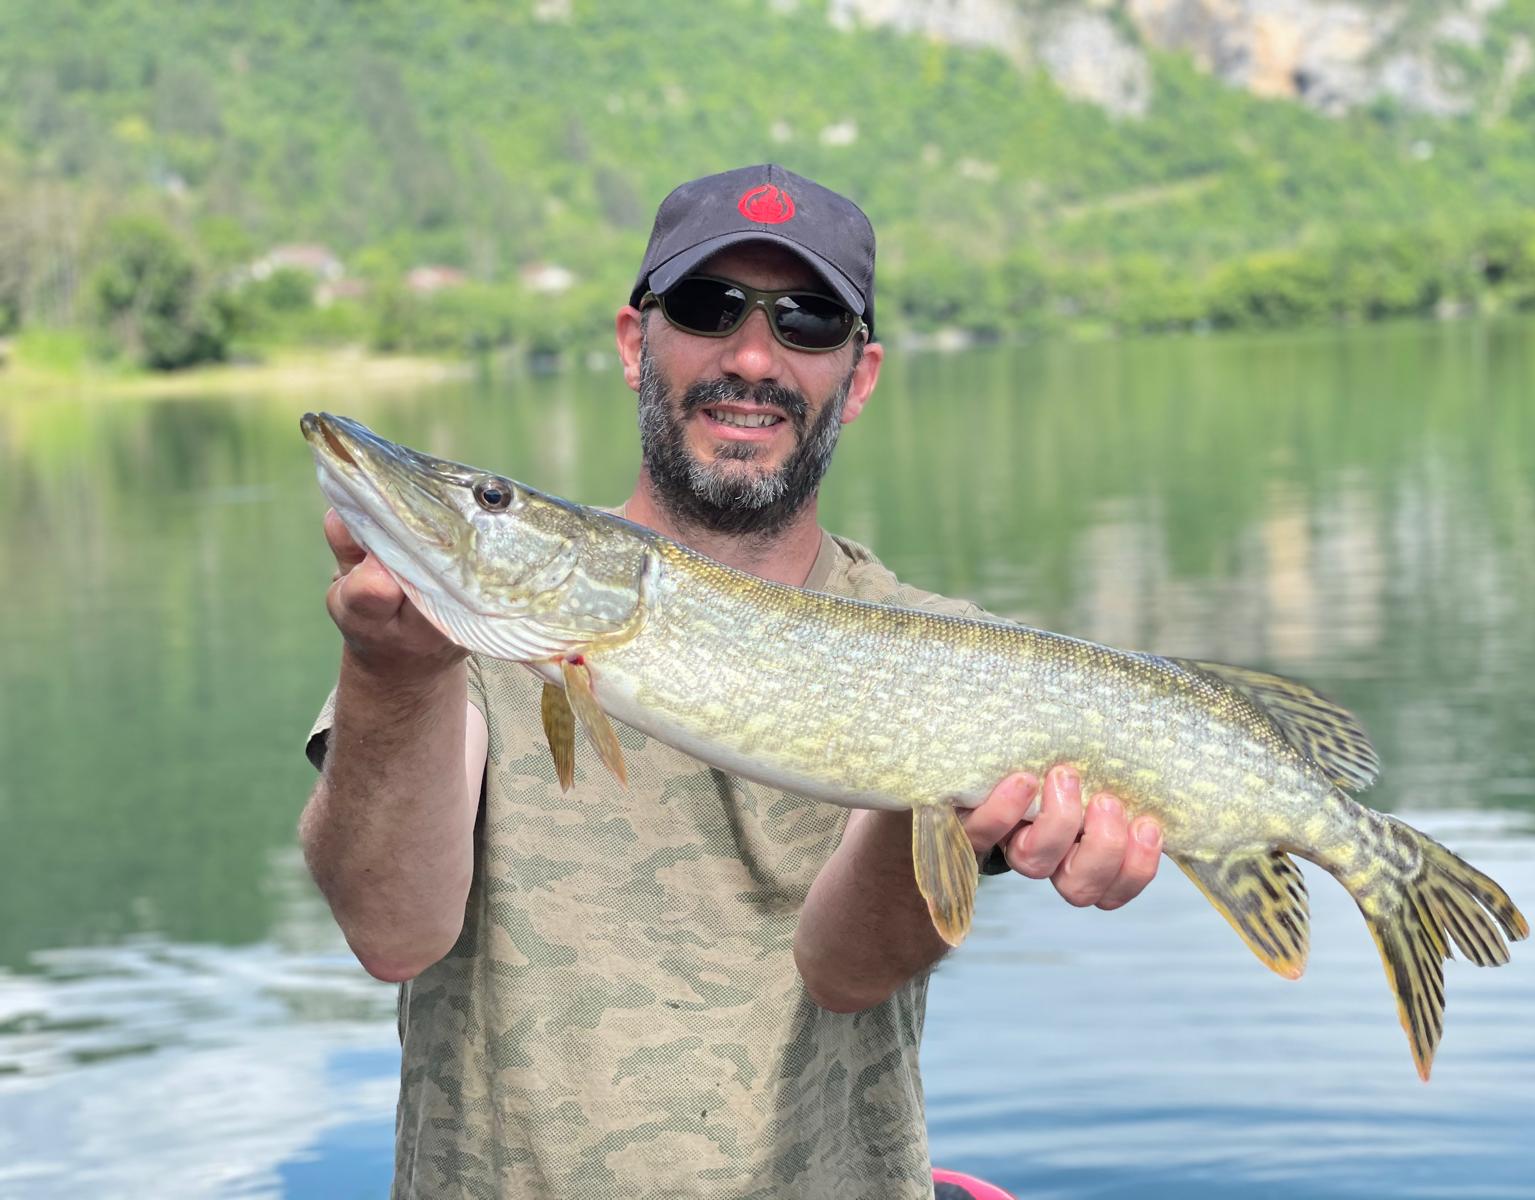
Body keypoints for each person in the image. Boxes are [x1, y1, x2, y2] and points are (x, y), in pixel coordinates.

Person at [301, 164, 1163, 1200]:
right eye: (710, 309)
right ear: (635, 343)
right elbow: (392, 935)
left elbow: (843, 972)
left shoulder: (940, 649)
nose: (752, 357)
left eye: (805, 322)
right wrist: (391, 676)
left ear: (861, 375)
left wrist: (942, 795)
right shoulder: (464, 638)